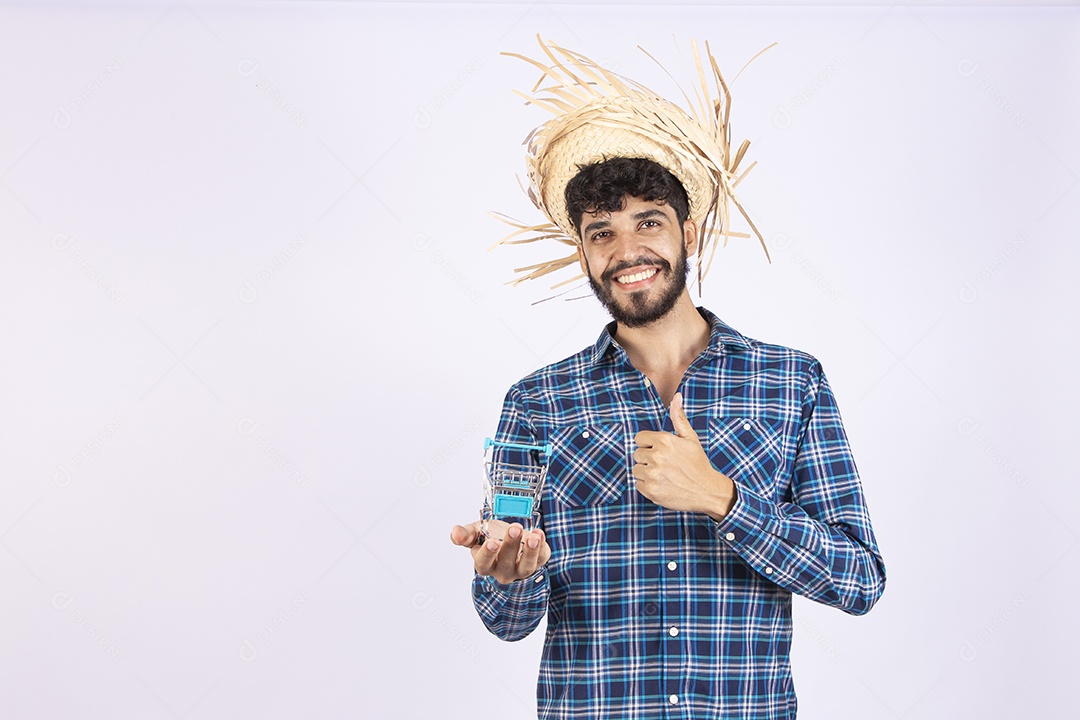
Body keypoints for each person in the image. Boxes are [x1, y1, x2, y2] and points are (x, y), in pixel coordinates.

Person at [450, 38, 885, 720]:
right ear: (585, 254)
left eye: (647, 223)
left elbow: (859, 578)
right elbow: (506, 615)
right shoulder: (536, 404)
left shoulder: (791, 382)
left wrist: (723, 498)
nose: (627, 252)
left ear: (688, 229)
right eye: (601, 233)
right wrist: (511, 577)